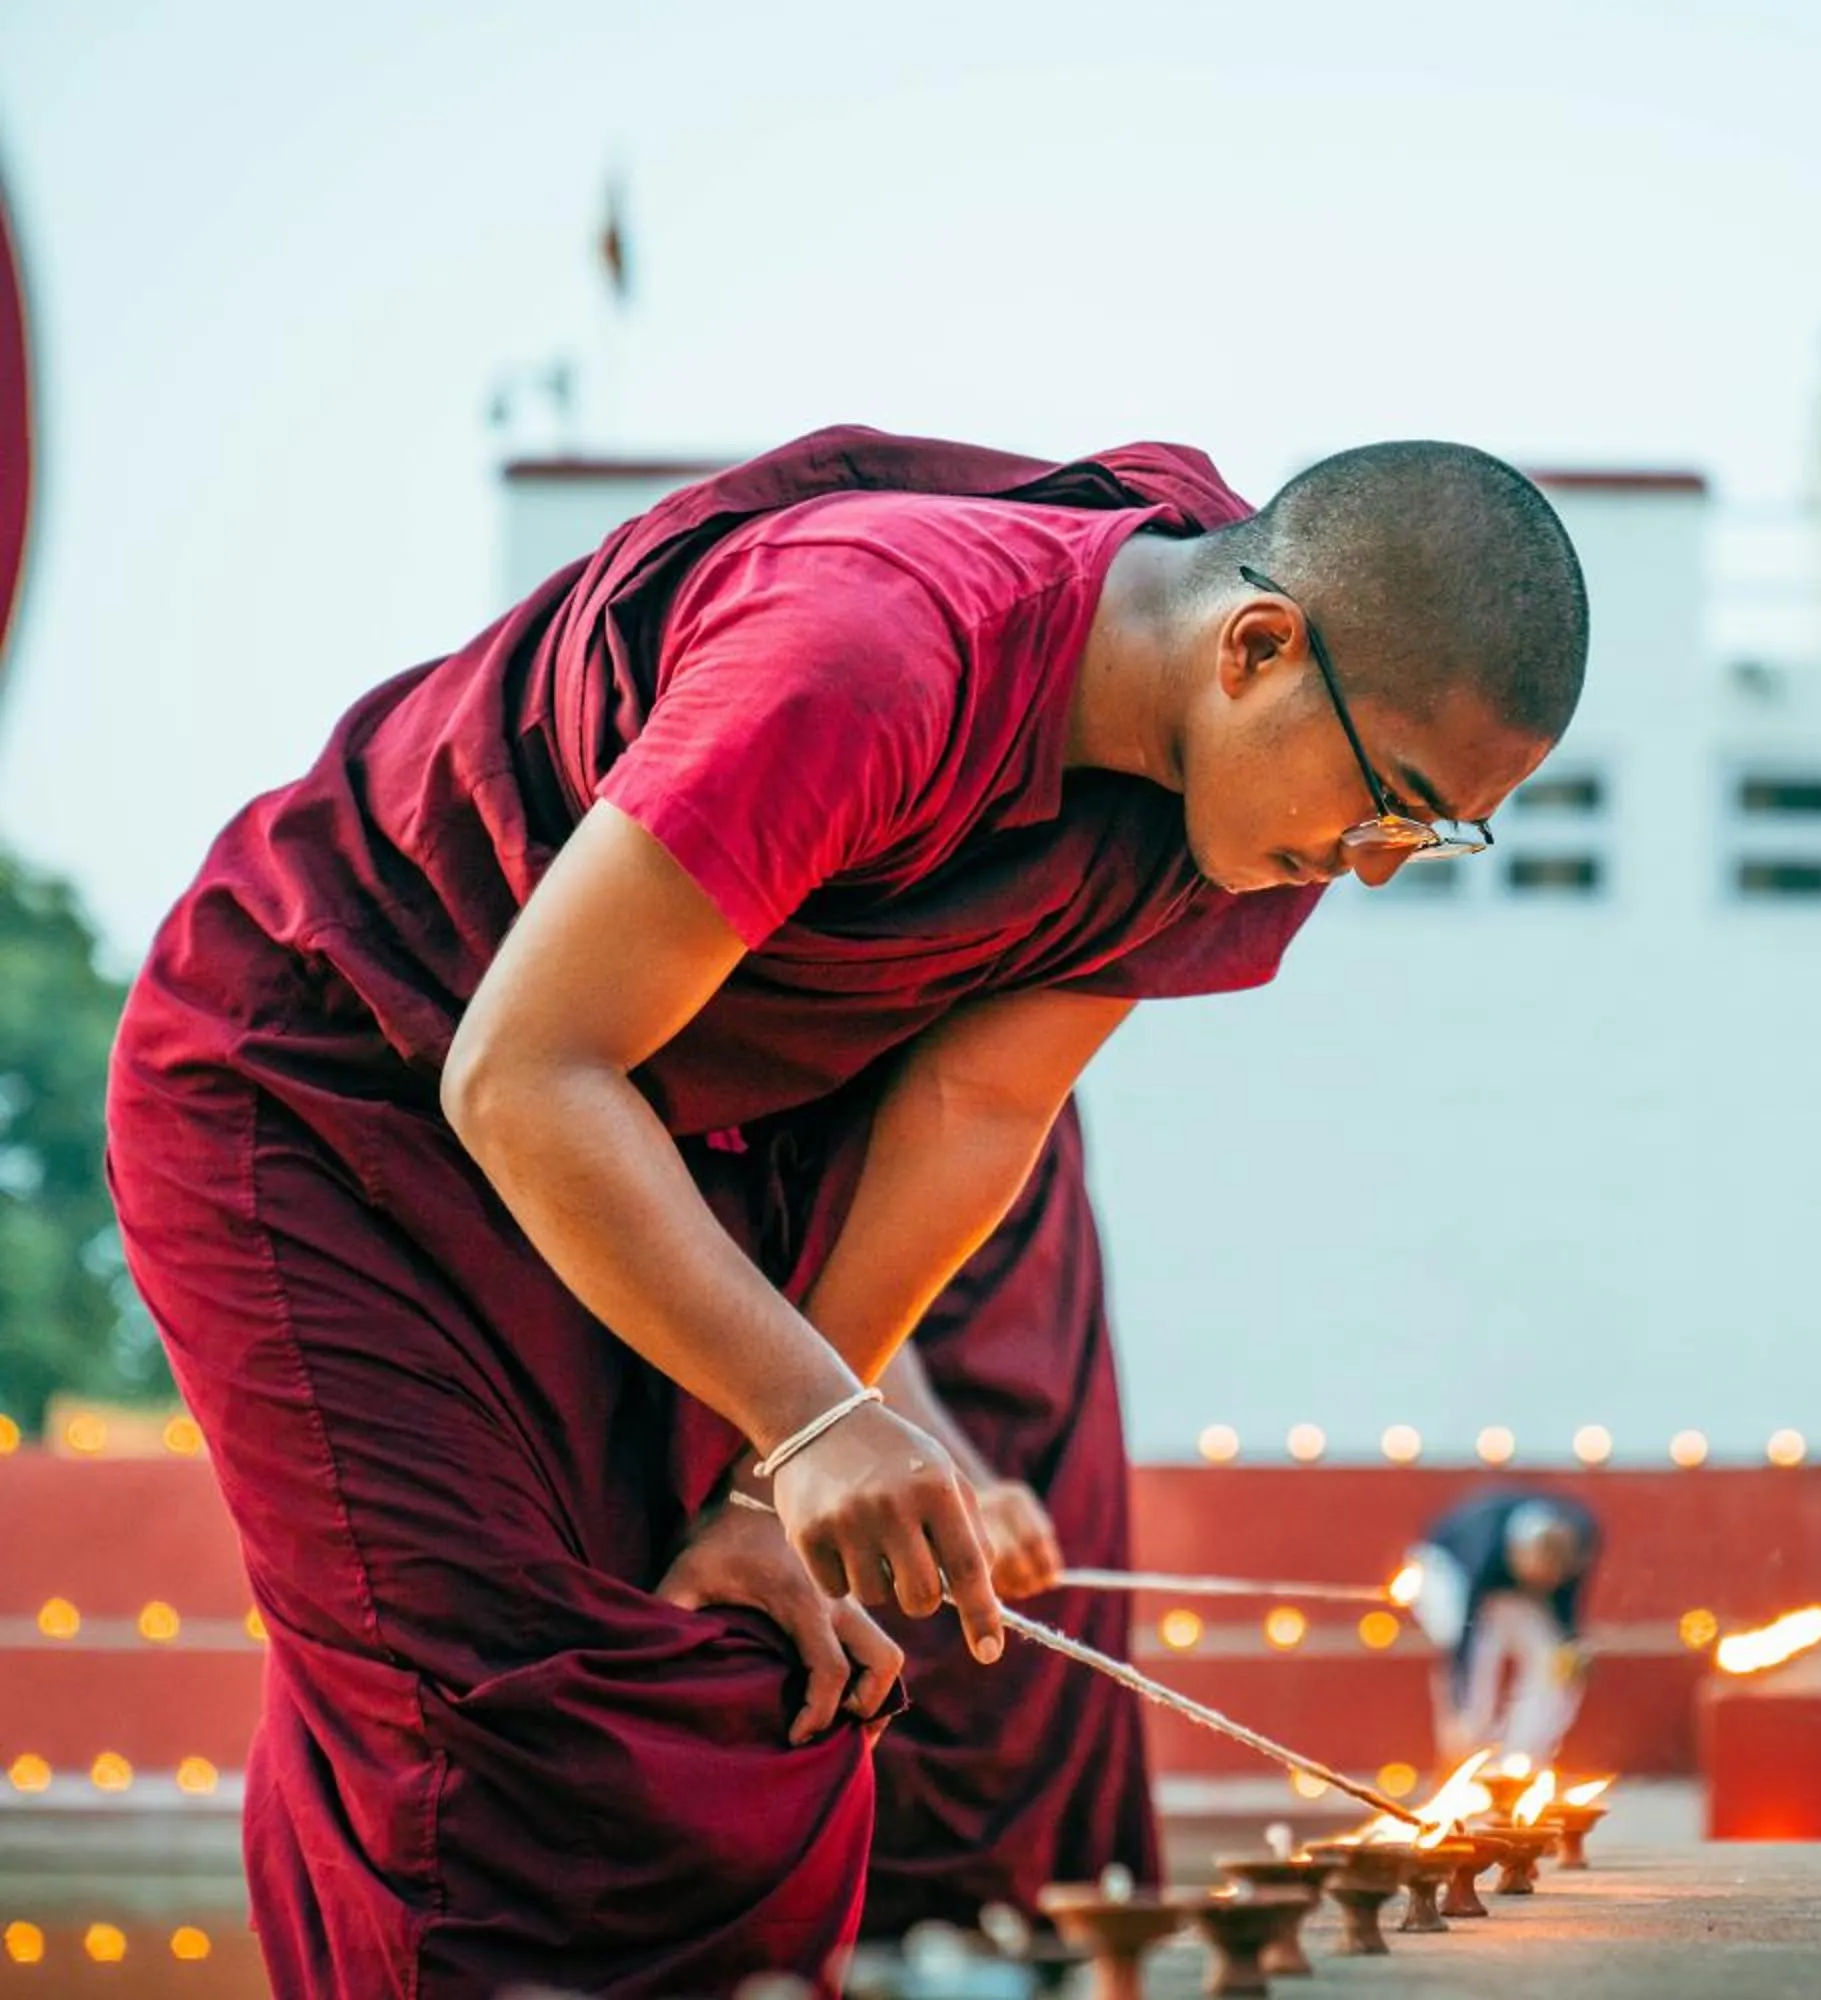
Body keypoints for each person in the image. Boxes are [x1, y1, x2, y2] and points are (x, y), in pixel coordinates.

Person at [105, 426, 1587, 1997]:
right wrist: (818, 1420)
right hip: (349, 1090)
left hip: (668, 1141)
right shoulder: (865, 653)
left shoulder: (1235, 823)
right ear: (1258, 647)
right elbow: (525, 1070)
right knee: (504, 1721)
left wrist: (768, 1483)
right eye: (1394, 803)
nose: (1369, 869)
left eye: (1431, 838)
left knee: (753, 1679)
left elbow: (978, 1106)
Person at [854, 1101, 1155, 1939]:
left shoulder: (1054, 1002)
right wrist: (952, 1473)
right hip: (929, 1450)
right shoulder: (901, 999)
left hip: (1059, 1453)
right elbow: (848, 1269)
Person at [1405, 1488, 1602, 1769]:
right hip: (1446, 1569)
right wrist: (1459, 1704)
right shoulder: (1483, 1548)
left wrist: (1571, 1642)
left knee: (1551, 1659)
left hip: (1510, 1593)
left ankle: (1521, 1759)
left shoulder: (1579, 1536)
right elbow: (1465, 1633)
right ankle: (1468, 1746)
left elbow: (1569, 1600)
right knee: (1480, 1643)